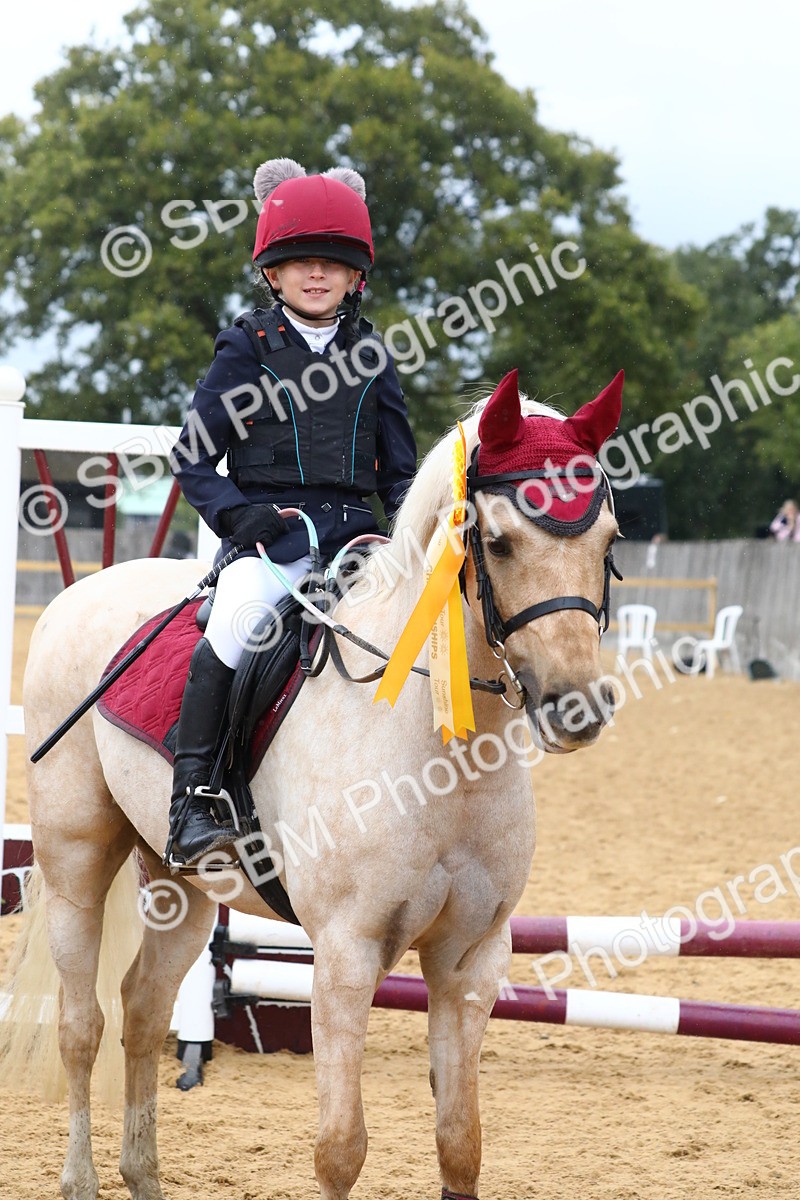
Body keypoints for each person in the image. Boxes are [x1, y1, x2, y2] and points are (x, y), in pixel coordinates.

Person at [165, 157, 417, 866]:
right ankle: (194, 801)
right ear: (272, 273)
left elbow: (402, 472)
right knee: (238, 626)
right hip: (270, 541)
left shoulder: (373, 353)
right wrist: (239, 518)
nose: (317, 275)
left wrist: (417, 536)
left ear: (354, 276)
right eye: (300, 263)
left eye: (332, 264)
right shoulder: (247, 344)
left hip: (360, 544)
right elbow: (192, 457)